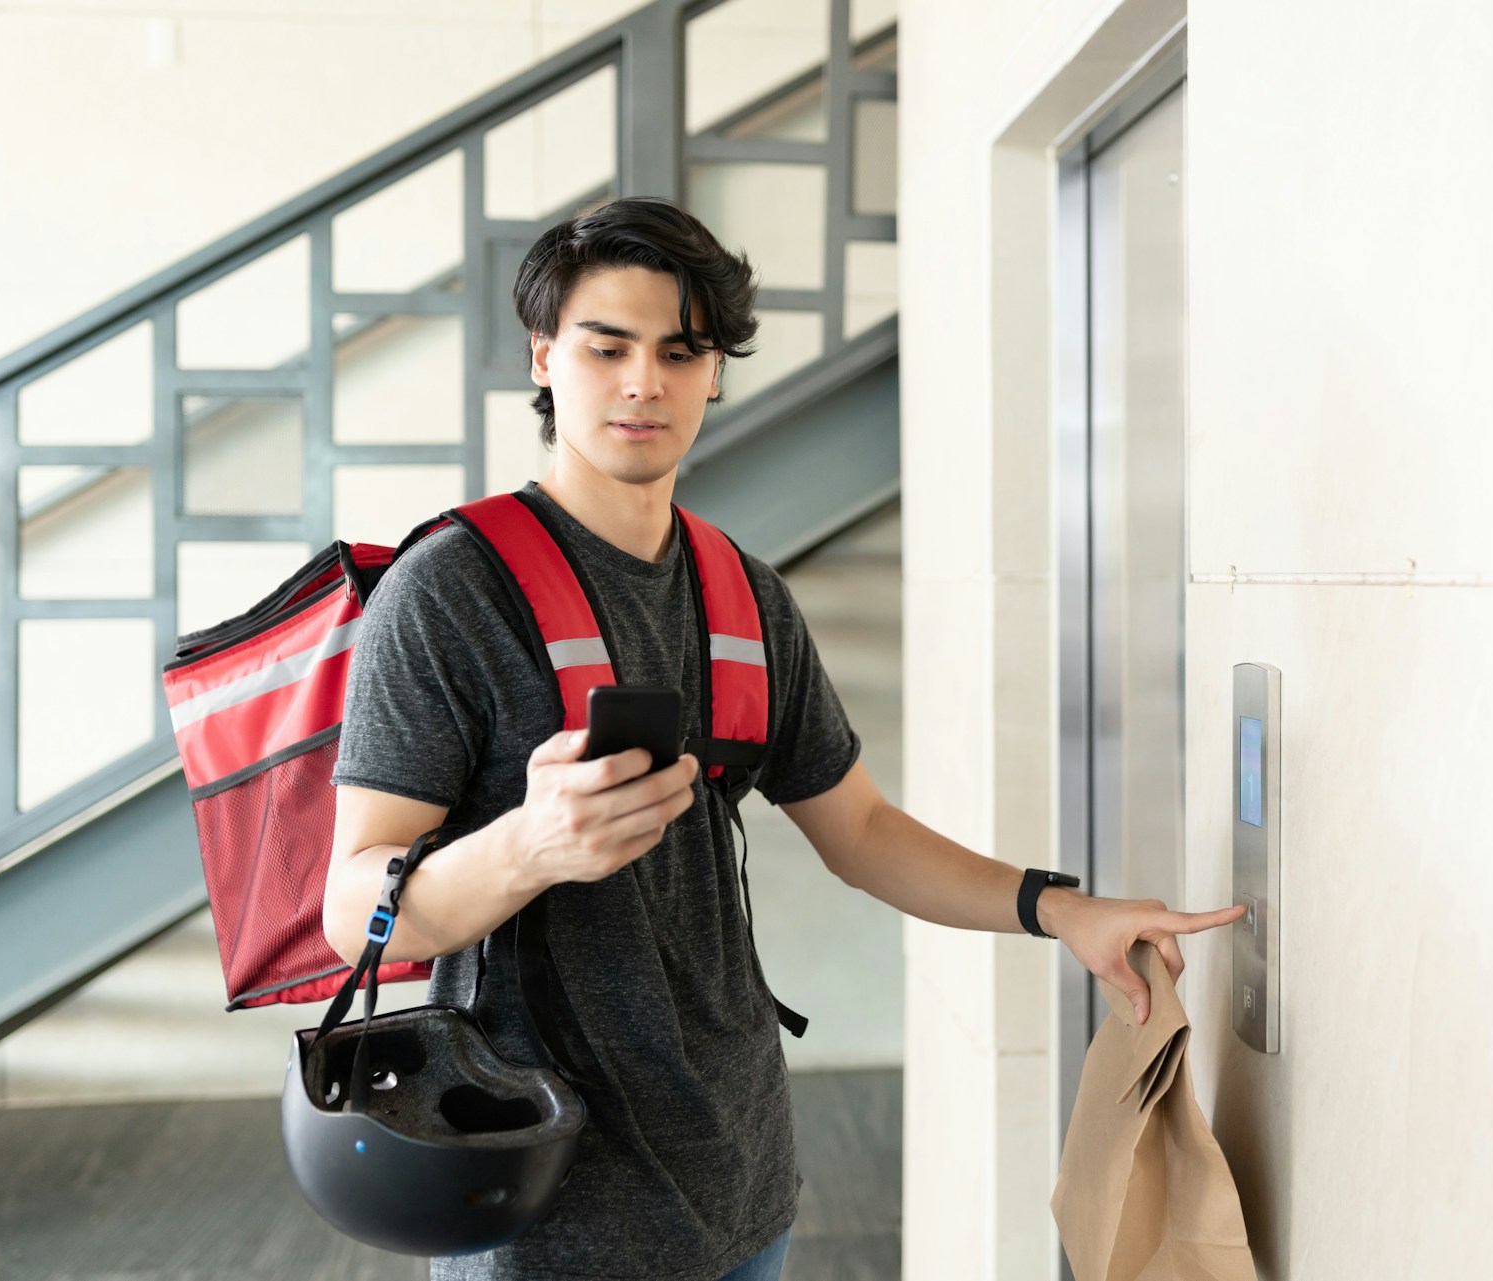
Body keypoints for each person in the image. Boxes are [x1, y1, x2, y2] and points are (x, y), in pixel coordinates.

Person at [321, 196, 1245, 1281]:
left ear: (714, 372)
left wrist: (1061, 908)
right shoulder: (452, 593)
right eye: (606, 346)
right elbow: (353, 908)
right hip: (545, 1202)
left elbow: (859, 830)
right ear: (543, 358)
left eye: (681, 350)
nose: (642, 382)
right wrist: (530, 846)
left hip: (742, 1177)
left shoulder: (742, 597)